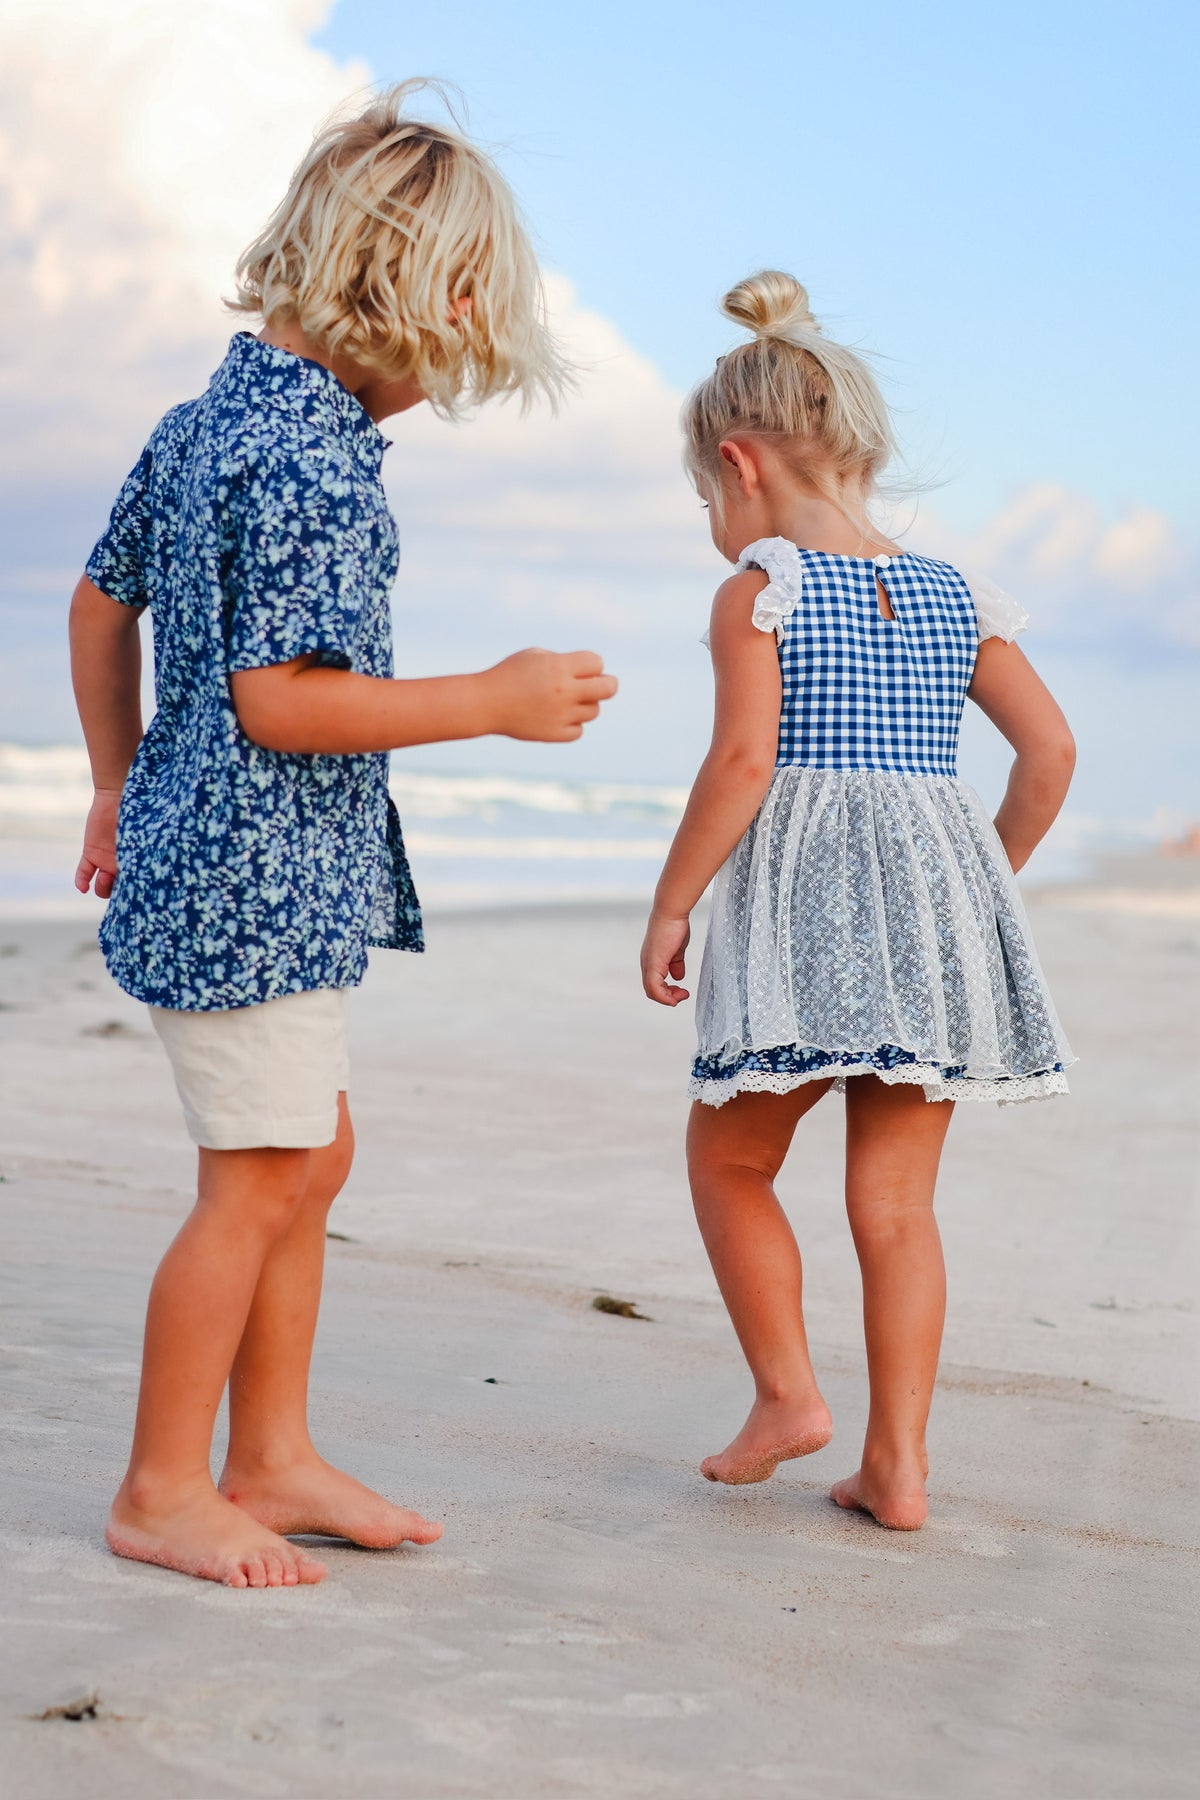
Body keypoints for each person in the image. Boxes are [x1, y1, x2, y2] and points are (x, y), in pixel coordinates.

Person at [70, 83, 617, 1589]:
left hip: (234, 867)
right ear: (412, 296)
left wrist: (117, 781)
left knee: (311, 1153)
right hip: (248, 881)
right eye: (457, 349)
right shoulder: (310, 458)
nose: (445, 386)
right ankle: (166, 1486)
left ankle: (272, 1453)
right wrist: (493, 700)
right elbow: (281, 704)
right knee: (256, 1177)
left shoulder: (205, 423)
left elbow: (97, 604)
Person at [641, 271, 1074, 1530]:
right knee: (895, 1204)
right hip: (936, 910)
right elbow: (1049, 758)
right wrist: (974, 884)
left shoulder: (761, 589)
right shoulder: (956, 594)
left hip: (800, 917)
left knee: (730, 1158)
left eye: (704, 496)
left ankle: (787, 1396)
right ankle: (900, 1469)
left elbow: (744, 765)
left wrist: (674, 903)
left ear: (739, 464)